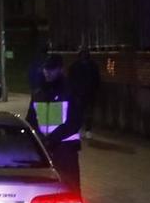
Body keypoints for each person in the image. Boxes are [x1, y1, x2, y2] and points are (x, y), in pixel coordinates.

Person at [26, 54, 85, 192]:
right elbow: (31, 120)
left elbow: (74, 121)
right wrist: (39, 139)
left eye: (51, 69)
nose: (47, 72)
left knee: (70, 184)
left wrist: (53, 138)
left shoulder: (70, 92)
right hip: (44, 146)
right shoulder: (38, 93)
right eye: (46, 69)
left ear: (60, 70)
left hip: (65, 147)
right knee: (46, 185)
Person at [67, 47, 101, 122]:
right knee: (80, 112)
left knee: (89, 112)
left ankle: (87, 128)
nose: (84, 55)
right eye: (83, 53)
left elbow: (96, 78)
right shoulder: (74, 66)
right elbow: (71, 80)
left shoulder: (92, 65)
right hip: (79, 93)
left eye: (85, 53)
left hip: (89, 92)